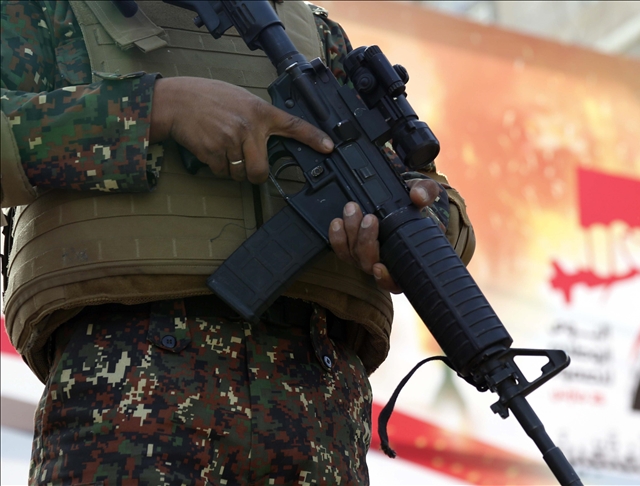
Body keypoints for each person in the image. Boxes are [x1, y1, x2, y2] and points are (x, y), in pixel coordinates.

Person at [0, 1, 476, 484]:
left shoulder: (315, 36)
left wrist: (412, 222)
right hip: (129, 379)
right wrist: (155, 108)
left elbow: (418, 184)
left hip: (320, 399)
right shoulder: (47, 10)